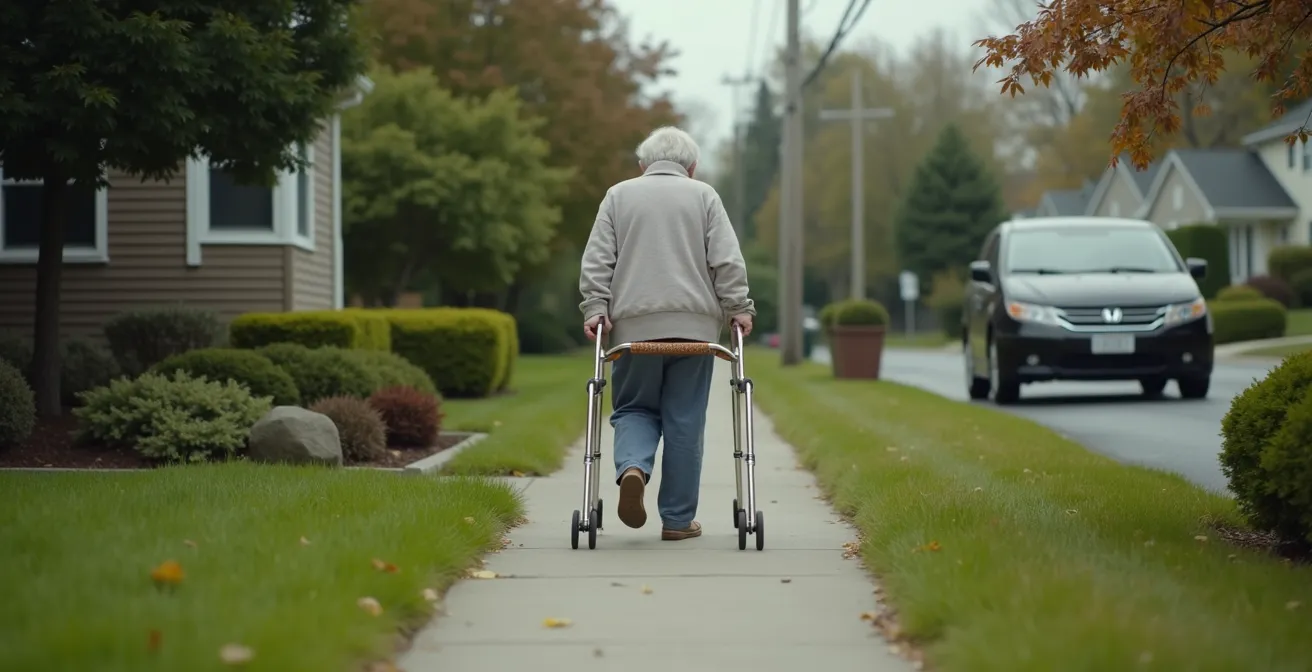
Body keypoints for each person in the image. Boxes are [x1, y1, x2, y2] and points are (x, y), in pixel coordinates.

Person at [578, 126, 755, 541]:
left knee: (634, 408)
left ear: (643, 165)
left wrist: (595, 307)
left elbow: (597, 260)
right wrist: (739, 309)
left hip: (634, 331)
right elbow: (726, 262)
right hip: (694, 331)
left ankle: (634, 468)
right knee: (685, 420)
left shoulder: (618, 195)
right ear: (691, 168)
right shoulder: (705, 196)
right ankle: (677, 521)